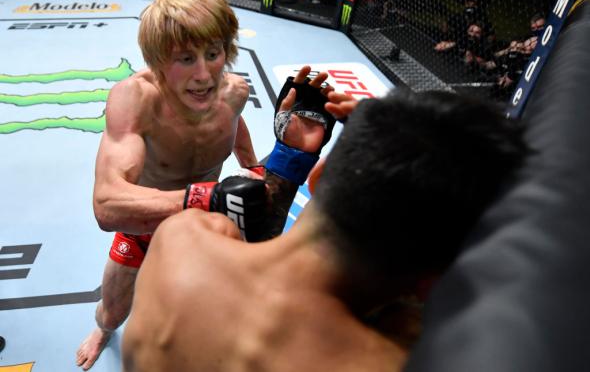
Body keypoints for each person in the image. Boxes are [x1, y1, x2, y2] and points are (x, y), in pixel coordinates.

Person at [121, 82, 528, 371]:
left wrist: (303, 157)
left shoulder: (184, 242)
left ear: (317, 177)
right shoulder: (395, 355)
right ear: (435, 276)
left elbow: (267, 273)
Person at [75, 0, 261, 369]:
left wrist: (252, 165)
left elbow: (232, 125)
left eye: (213, 53)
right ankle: (103, 332)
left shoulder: (235, 92)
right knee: (111, 311)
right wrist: (205, 197)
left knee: (219, 305)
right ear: (159, 60)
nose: (204, 75)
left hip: (210, 220)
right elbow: (107, 204)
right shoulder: (136, 99)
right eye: (186, 59)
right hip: (147, 218)